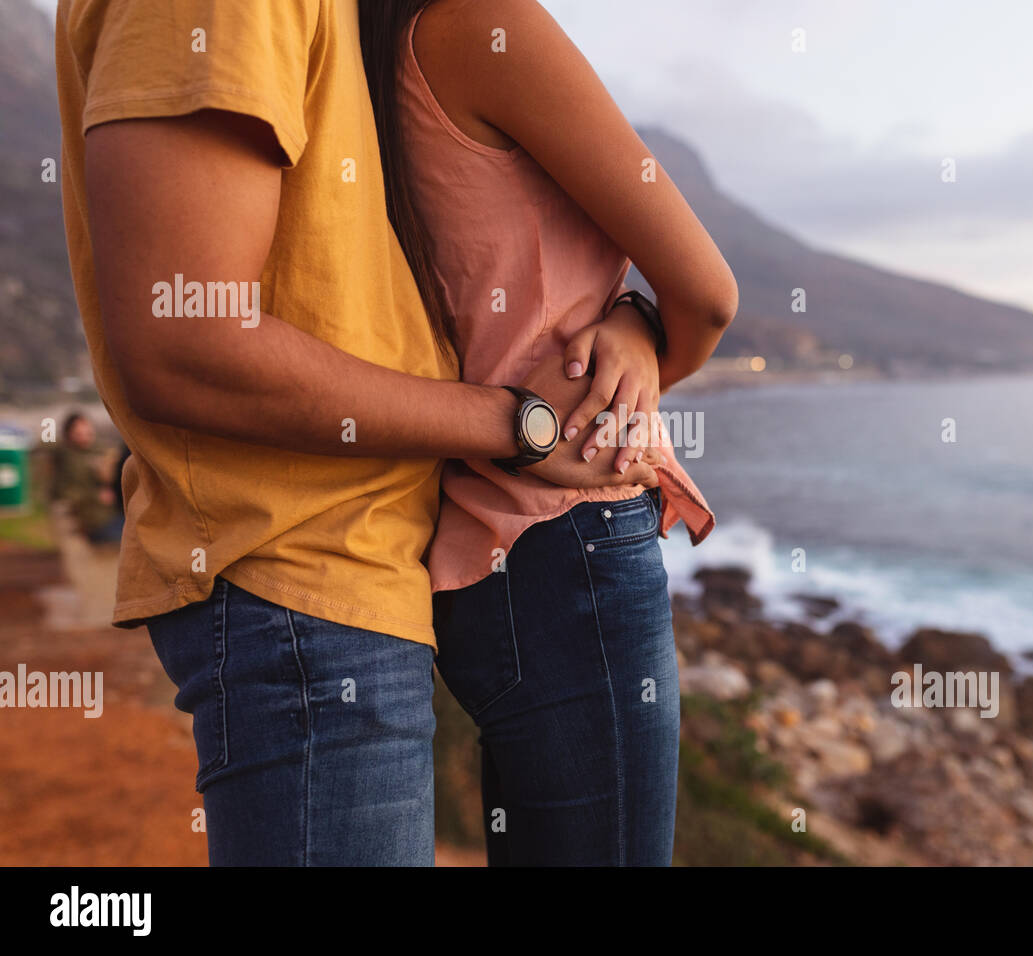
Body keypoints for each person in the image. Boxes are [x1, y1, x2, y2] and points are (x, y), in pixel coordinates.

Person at [55, 0, 659, 866]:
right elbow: (183, 340)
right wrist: (510, 423)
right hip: (297, 576)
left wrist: (632, 318)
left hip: (353, 576)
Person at [360, 0, 737, 865]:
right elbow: (711, 294)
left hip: (467, 550)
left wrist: (636, 321)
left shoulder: (362, 59)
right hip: (571, 541)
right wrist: (641, 342)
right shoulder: (484, 24)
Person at [49, 411, 123, 544]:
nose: (85, 438)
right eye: (79, 434)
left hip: (112, 515)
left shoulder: (101, 451)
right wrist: (97, 496)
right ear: (69, 435)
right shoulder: (66, 457)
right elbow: (65, 493)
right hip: (94, 520)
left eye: (88, 433)